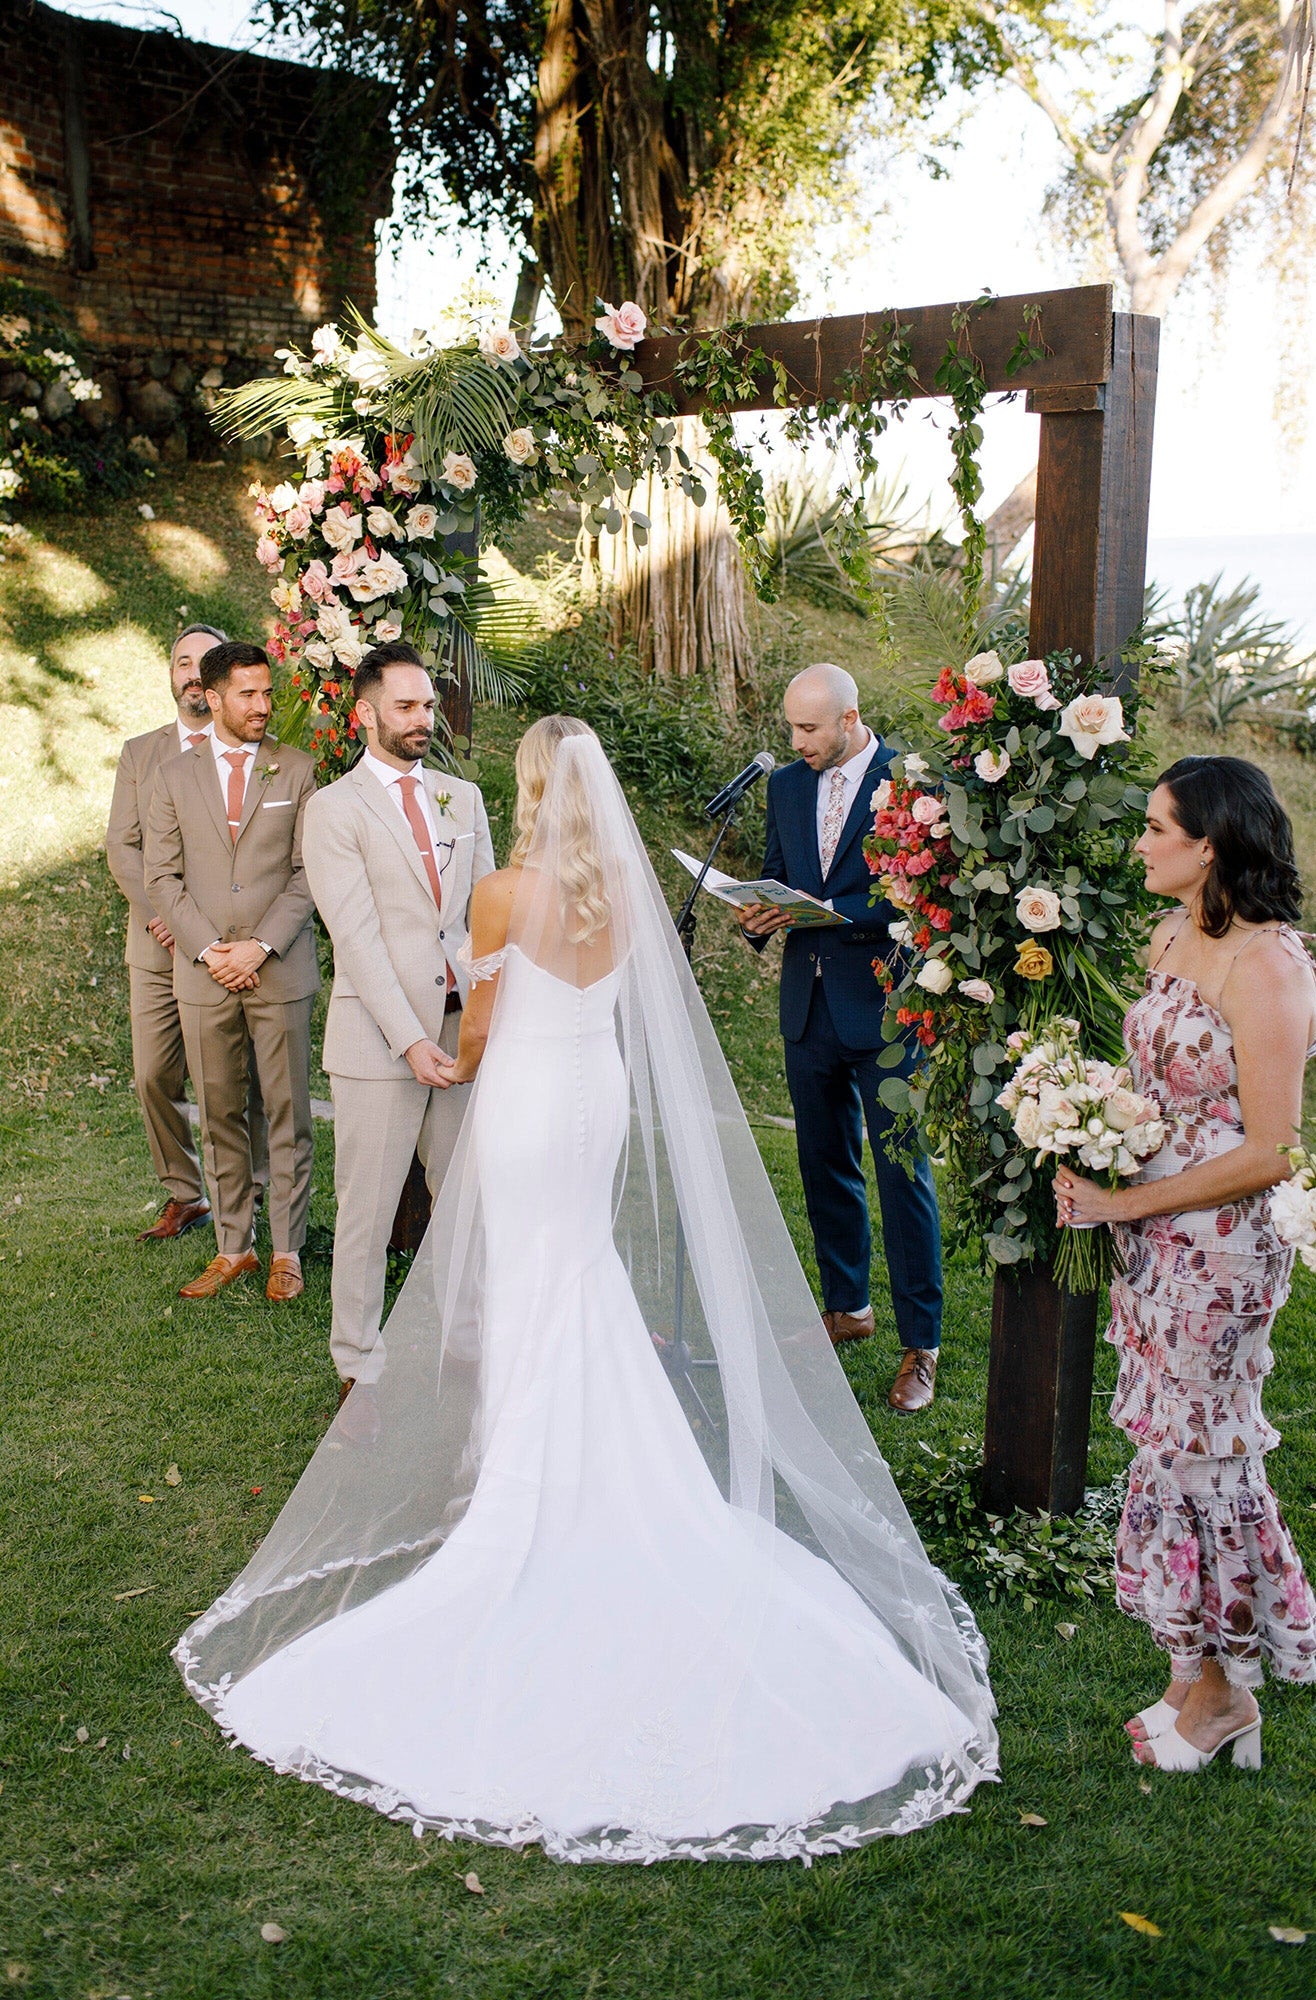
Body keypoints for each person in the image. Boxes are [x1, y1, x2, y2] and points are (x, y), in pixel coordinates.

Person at [173, 719, 998, 1862]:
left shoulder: (505, 892)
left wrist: (445, 1059)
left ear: (528, 787)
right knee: (581, 1269)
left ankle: (523, 1481)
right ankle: (600, 1467)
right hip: (594, 1093)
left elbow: (482, 1019)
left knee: (532, 1276)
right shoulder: (624, 893)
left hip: (519, 1100)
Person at [1055, 756, 1316, 1774]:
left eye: (1156, 827)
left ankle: (1220, 1691)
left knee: (1204, 1453)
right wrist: (1095, 1143)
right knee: (1162, 1447)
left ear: (1207, 843)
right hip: (1151, 1237)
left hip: (1219, 1249)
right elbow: (1158, 1087)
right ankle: (1187, 1667)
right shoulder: (1171, 933)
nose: (1139, 841)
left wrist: (1126, 1197)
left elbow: (1268, 1149)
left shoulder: (1267, 966)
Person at [737, 663, 944, 1414]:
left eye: (810, 729)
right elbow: (776, 875)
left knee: (902, 1176)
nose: (797, 742)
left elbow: (916, 896)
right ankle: (847, 1307)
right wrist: (757, 913)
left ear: (850, 718)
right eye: (792, 727)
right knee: (825, 1165)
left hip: (887, 1011)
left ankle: (922, 1343)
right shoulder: (788, 785)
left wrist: (824, 908)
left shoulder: (912, 782)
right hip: (809, 1007)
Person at [301, 641, 494, 1400]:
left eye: (429, 705)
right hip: (379, 1039)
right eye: (407, 707)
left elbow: (484, 915)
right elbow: (356, 937)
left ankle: (467, 1348)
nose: (424, 719)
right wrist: (409, 1040)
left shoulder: (462, 798)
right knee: (368, 1208)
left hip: (458, 1033)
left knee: (466, 1199)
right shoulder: (333, 809)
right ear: (366, 714)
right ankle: (358, 1365)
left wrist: (482, 1016)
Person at [144, 642, 318, 1304]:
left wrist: (261, 947)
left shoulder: (296, 770)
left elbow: (308, 874)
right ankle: (232, 1249)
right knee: (217, 1109)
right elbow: (162, 877)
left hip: (278, 972)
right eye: (248, 694)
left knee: (286, 1112)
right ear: (212, 698)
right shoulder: (169, 776)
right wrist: (211, 950)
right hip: (203, 974)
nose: (262, 706)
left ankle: (288, 1251)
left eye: (267, 693)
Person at [105, 624, 268, 1239]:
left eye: (204, 663)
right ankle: (185, 1190)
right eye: (182, 663)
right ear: (171, 675)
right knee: (153, 1073)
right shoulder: (140, 754)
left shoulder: (258, 754)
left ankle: (248, 1192)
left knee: (237, 1074)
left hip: (231, 946)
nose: (192, 674)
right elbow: (124, 844)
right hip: (156, 942)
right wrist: (161, 914)